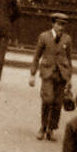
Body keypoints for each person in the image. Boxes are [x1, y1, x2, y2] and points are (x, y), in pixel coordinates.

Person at [30, 11, 73, 141]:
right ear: (53, 24)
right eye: (59, 24)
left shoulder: (67, 39)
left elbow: (69, 58)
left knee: (57, 103)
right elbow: (37, 56)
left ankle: (51, 129)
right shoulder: (44, 37)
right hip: (47, 73)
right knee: (47, 100)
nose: (61, 27)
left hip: (61, 74)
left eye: (63, 25)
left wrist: (70, 78)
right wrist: (32, 74)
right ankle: (43, 127)